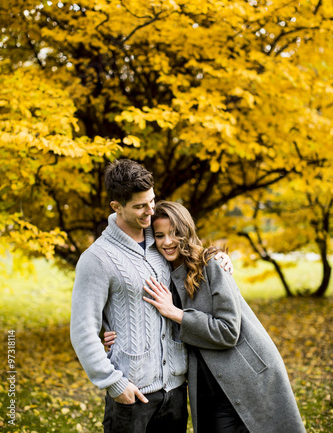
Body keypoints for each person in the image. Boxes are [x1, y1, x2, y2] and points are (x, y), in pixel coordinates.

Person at [70, 159, 232, 433]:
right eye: (140, 206)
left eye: (152, 201)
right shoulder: (96, 259)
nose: (150, 211)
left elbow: (193, 256)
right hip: (133, 395)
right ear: (116, 207)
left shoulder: (161, 240)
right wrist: (114, 383)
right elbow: (82, 331)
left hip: (176, 391)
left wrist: (219, 257)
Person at [140, 201, 306, 433]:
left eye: (174, 233)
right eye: (159, 235)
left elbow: (228, 331)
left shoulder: (212, 265)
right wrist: (113, 335)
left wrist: (177, 314)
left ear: (186, 232)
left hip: (246, 376)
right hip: (206, 384)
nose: (167, 242)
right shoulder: (163, 275)